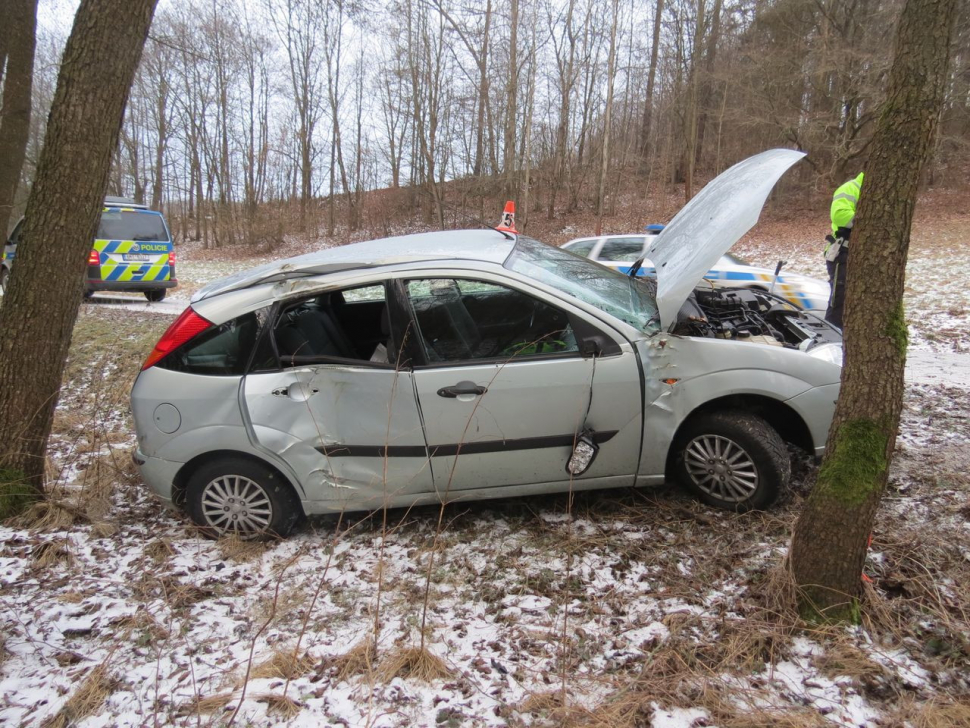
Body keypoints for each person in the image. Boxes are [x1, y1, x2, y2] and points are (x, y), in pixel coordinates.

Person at [823, 172, 864, 328]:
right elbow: (840, 216)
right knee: (839, 303)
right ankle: (832, 341)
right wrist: (872, 221)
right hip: (842, 255)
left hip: (857, 256)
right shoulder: (850, 188)